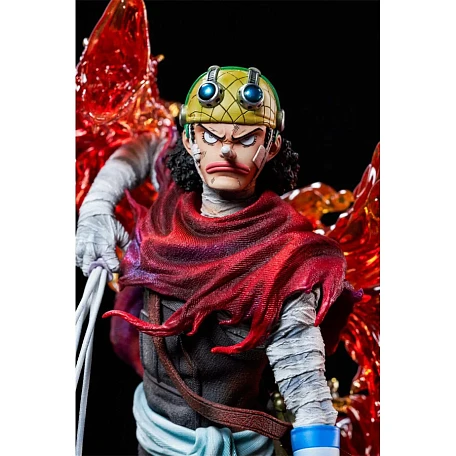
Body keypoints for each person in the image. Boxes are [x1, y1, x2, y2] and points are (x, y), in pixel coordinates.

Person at [76, 65, 360, 456]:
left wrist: (318, 448)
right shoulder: (167, 209)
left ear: (271, 146)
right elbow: (142, 148)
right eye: (210, 135)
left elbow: (303, 378)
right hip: (154, 440)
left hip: (240, 447)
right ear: (190, 140)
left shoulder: (284, 255)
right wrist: (96, 208)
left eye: (245, 138)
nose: (226, 150)